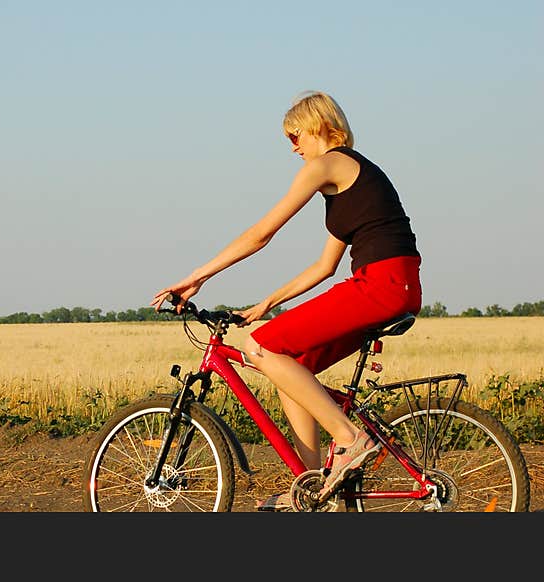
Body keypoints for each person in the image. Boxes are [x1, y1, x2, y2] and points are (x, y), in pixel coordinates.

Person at [151, 90, 422, 510]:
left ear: (317, 126)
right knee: (291, 367)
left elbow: (261, 233)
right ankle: (313, 488)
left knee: (260, 346)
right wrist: (267, 302)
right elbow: (324, 267)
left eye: (294, 135)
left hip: (381, 284)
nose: (292, 146)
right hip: (394, 284)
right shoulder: (350, 182)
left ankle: (351, 439)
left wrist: (197, 275)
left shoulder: (328, 163)